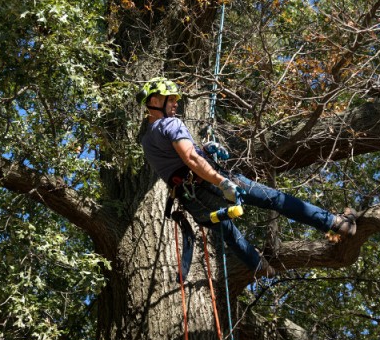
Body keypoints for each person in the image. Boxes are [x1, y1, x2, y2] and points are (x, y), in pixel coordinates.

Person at [137, 77, 357, 276]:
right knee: (274, 199)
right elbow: (191, 159)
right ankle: (336, 223)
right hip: (212, 182)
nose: (176, 103)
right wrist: (221, 181)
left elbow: (178, 161)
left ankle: (261, 268)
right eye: (171, 99)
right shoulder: (170, 124)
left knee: (230, 234)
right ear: (155, 100)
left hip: (192, 200)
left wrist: (204, 149)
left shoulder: (146, 141)